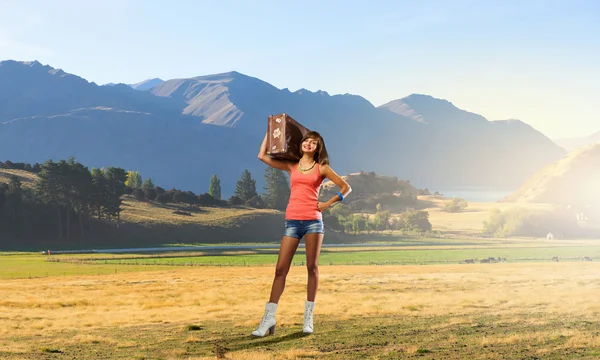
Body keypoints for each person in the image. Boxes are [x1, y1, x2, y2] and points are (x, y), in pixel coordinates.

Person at [252, 129, 351, 337]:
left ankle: (308, 318)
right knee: (280, 270)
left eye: (313, 142)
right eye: (306, 141)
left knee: (312, 268)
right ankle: (269, 318)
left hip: (313, 222)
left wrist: (327, 204)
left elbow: (345, 187)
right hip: (292, 221)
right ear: (301, 144)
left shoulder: (322, 168)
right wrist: (270, 132)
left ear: (318, 147)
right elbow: (262, 156)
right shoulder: (292, 166)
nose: (308, 144)